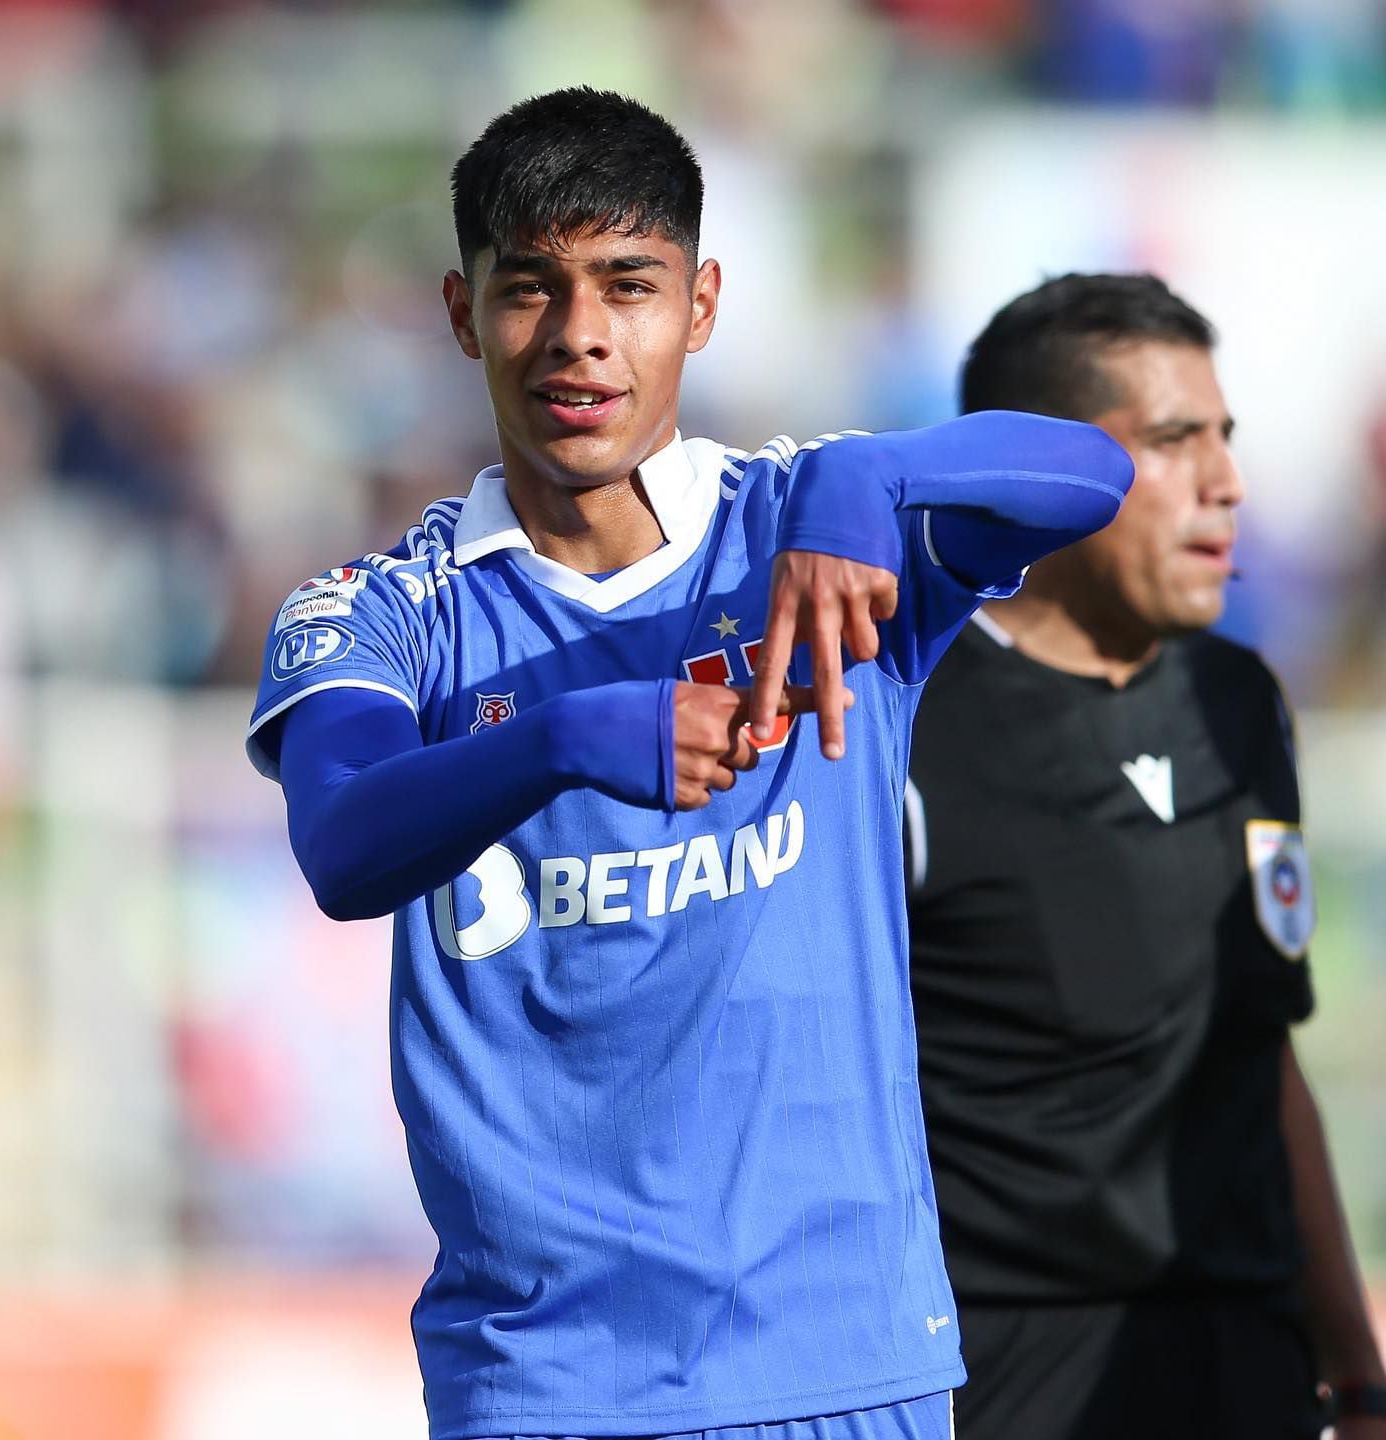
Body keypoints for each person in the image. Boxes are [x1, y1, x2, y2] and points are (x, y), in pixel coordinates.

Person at [246, 90, 1132, 1439]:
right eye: (529, 288)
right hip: (545, 1383)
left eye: (629, 285)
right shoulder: (382, 612)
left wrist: (869, 478)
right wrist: (563, 739)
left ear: (702, 304)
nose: (581, 335)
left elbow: (1088, 470)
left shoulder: (810, 540)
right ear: (460, 312)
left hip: (847, 1361)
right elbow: (346, 841)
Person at [905, 272, 1386, 1439]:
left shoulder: (1237, 698)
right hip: (1007, 1371)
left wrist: (1359, 1374)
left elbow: (1259, 1047)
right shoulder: (895, 718)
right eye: (1174, 443)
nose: (1228, 485)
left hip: (1249, 1358)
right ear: (1041, 481)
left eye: (1225, 438)